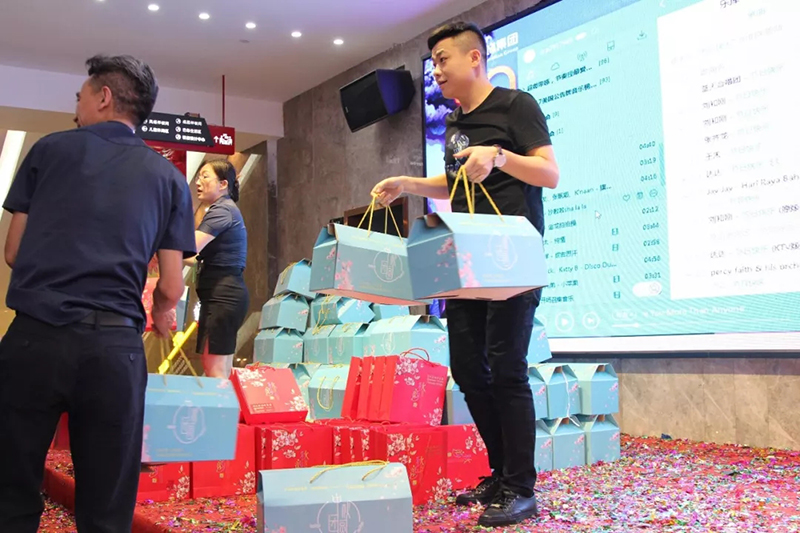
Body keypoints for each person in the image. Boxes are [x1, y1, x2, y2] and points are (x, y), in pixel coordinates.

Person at [372, 22, 559, 528]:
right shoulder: (455, 122)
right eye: (433, 62)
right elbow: (453, 181)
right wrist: (409, 183)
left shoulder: (516, 106)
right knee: (469, 369)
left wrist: (498, 155)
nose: (435, 71)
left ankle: (521, 487)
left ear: (475, 57)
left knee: (506, 367)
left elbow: (549, 172)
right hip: (465, 261)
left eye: (442, 60)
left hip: (512, 259)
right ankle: (501, 473)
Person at [0, 55, 196, 532]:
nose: (77, 108)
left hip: (34, 339)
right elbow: (172, 285)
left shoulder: (48, 150)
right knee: (106, 506)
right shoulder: (169, 179)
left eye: (80, 97)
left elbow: (13, 252)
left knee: (10, 487)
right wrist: (163, 312)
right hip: (114, 350)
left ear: (103, 97)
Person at [187, 159, 249, 378]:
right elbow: (193, 257)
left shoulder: (222, 210)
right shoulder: (223, 209)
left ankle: (223, 403)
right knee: (219, 370)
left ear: (223, 184)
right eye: (198, 177)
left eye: (205, 176)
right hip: (224, 294)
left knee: (216, 372)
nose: (198, 182)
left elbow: (189, 247)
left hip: (222, 295)